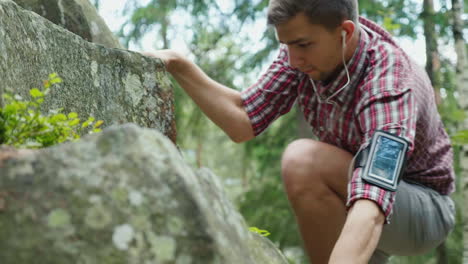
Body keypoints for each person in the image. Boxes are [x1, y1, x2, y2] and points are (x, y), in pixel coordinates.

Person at [143, 0, 456, 263]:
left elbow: (373, 198)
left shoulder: (388, 78)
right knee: (307, 162)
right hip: (357, 191)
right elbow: (243, 119)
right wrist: (178, 64)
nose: (293, 59)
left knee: (303, 161)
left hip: (420, 207)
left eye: (303, 44)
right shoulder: (304, 56)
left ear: (345, 32)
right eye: (286, 45)